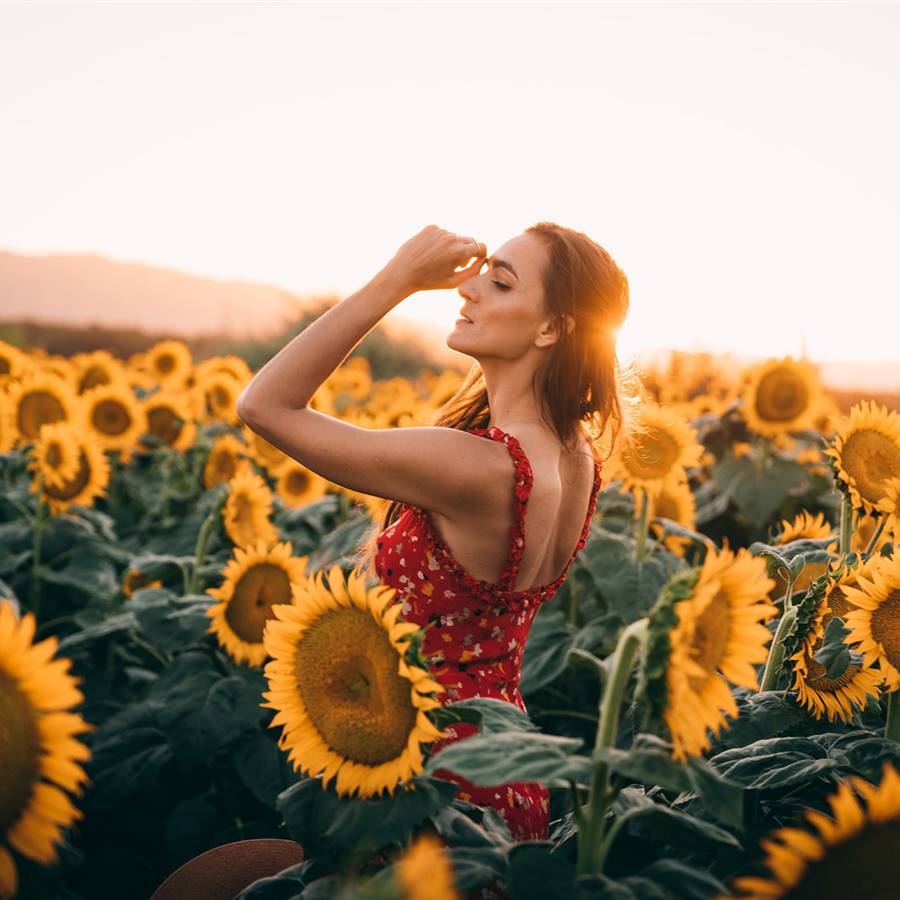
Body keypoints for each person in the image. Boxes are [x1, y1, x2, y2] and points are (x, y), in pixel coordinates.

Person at [236, 221, 632, 854]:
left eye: (500, 281)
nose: (470, 289)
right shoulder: (575, 456)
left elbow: (265, 405)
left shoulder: (477, 467)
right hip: (503, 766)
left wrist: (397, 279)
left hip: (426, 778)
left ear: (551, 329)